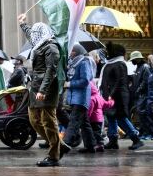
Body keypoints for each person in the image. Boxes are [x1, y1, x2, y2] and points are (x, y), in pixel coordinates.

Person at [17, 14, 63, 167]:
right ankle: (58, 145)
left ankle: (54, 155)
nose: (33, 36)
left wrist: (43, 90)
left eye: (36, 33)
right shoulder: (40, 43)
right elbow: (31, 34)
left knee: (48, 121)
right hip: (35, 86)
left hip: (46, 88)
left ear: (42, 33)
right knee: (34, 120)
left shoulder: (51, 47)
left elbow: (51, 71)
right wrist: (23, 23)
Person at [99, 43, 144, 151]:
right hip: (110, 96)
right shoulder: (111, 63)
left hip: (117, 97)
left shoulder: (120, 64)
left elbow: (120, 82)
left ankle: (136, 139)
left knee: (120, 118)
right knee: (111, 117)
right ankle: (113, 141)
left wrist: (111, 94)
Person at [61, 44, 96, 154]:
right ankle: (90, 146)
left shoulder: (84, 62)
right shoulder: (73, 63)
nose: (69, 53)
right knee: (84, 123)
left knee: (74, 121)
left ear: (75, 52)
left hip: (81, 98)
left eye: (70, 51)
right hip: (75, 97)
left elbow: (85, 80)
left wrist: (69, 84)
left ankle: (65, 144)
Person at [130, 51, 153, 140]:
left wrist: (138, 90)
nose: (132, 61)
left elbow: (145, 81)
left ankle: (149, 133)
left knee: (144, 114)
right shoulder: (138, 68)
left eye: (133, 59)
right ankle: (144, 132)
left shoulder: (145, 67)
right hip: (140, 95)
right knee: (141, 114)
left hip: (144, 94)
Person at [88, 81, 113, 152]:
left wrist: (87, 116)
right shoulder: (99, 97)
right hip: (100, 119)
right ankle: (100, 144)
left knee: (95, 132)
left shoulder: (91, 99)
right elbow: (106, 104)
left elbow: (90, 110)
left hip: (93, 119)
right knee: (98, 132)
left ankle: (99, 144)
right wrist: (112, 101)